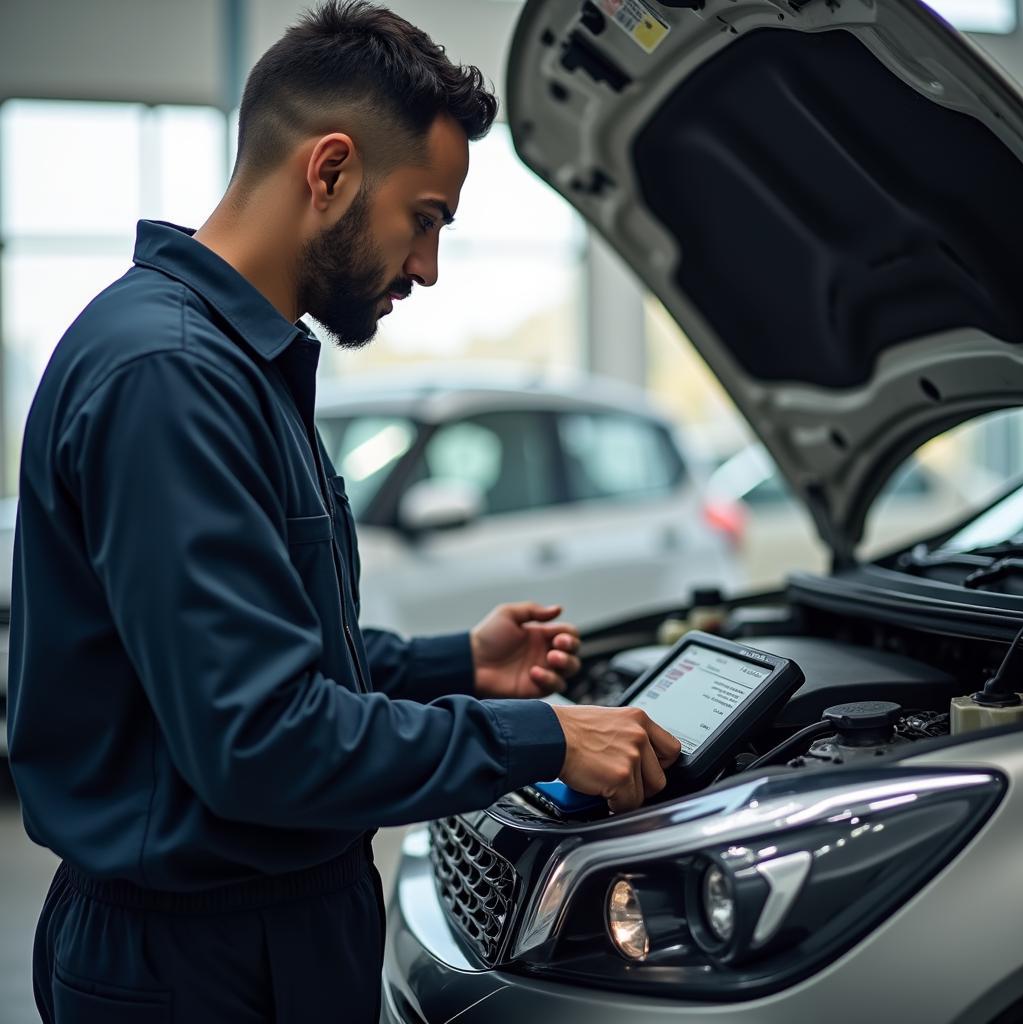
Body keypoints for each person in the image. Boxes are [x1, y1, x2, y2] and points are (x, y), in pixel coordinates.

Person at [7, 3, 682, 1021]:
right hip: (196, 959)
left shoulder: (231, 362)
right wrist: (540, 736)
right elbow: (262, 739)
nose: (427, 267)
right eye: (425, 218)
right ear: (328, 171)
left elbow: (263, 656)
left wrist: (460, 659)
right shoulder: (172, 378)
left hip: (247, 930)